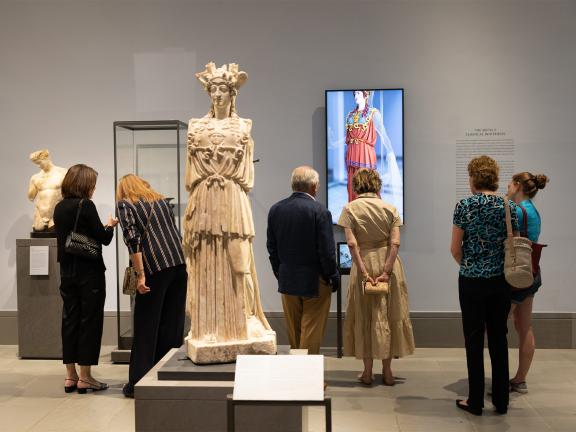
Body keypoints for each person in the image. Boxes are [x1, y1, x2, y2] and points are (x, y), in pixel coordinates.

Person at [184, 62, 274, 364]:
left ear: (232, 93)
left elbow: (247, 177)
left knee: (239, 261)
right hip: (206, 198)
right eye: (214, 89)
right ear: (209, 93)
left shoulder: (244, 126)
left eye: (223, 89)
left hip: (233, 198)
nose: (218, 94)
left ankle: (246, 317)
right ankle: (210, 327)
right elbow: (190, 176)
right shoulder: (196, 125)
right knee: (208, 260)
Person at [451, 155, 519, 415]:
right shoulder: (508, 207)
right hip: (501, 281)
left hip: (471, 281)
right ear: (494, 178)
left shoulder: (464, 206)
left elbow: (455, 248)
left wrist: (469, 265)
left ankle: (475, 400)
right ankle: (501, 400)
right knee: (499, 338)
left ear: (473, 178)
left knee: (473, 339)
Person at [337, 168, 414, 385]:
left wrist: (363, 271)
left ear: (357, 186)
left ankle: (368, 372)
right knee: (388, 315)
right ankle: (388, 372)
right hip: (387, 263)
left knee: (365, 315)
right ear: (377, 185)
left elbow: (352, 244)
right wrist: (386, 271)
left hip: (363, 261)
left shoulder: (349, 209)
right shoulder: (390, 208)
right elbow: (396, 243)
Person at [116, 174, 187, 398]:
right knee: (172, 324)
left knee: (146, 326)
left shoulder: (126, 204)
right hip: (177, 265)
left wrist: (140, 275)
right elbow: (176, 235)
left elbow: (133, 241)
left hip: (154, 269)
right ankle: (166, 374)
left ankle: (138, 383)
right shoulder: (162, 202)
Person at [53, 164, 118, 394]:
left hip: (66, 271)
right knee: (89, 321)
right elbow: (103, 239)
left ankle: (70, 376)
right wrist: (109, 226)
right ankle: (86, 377)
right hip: (89, 273)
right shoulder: (86, 205)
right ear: (84, 184)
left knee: (69, 319)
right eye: (92, 183)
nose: (93, 187)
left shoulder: (59, 207)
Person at [267, 166, 339, 354]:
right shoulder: (320, 211)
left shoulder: (276, 210)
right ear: (314, 186)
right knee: (311, 332)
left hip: (287, 279)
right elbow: (327, 250)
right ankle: (308, 379)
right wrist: (332, 275)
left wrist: (279, 271)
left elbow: (272, 248)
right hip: (315, 280)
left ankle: (296, 376)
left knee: (295, 332)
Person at [507, 172, 549, 393]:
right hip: (531, 272)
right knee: (524, 326)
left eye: (510, 183)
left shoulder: (514, 210)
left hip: (514, 276)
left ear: (517, 185)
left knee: (496, 328)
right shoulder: (533, 210)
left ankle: (500, 379)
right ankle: (520, 379)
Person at [344, 90, 401, 201]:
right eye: (354, 93)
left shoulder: (374, 113)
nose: (356, 96)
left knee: (367, 183)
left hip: (366, 153)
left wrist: (390, 151)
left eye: (358, 93)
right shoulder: (350, 115)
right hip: (351, 153)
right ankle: (355, 212)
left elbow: (383, 134)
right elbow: (348, 137)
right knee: (352, 183)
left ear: (366, 95)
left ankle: (370, 212)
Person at [28, 149, 67, 232]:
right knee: (38, 229)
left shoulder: (63, 172)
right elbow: (30, 197)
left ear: (47, 158)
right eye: (36, 164)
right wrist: (33, 182)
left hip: (57, 213)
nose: (39, 166)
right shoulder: (36, 177)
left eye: (39, 162)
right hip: (41, 213)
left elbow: (70, 193)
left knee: (57, 231)